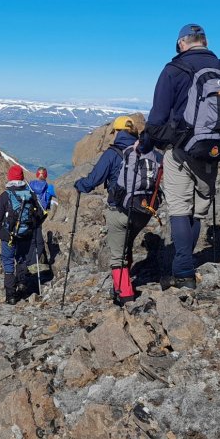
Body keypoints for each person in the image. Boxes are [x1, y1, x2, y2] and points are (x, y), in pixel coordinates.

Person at [139, 24, 220, 290]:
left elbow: (157, 119)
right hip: (213, 153)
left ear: (181, 44)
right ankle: (187, 264)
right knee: (198, 211)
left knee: (178, 208)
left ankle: (183, 271)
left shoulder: (173, 70)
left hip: (180, 151)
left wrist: (146, 144)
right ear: (206, 42)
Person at [75, 115, 152, 305]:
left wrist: (79, 184)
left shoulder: (113, 153)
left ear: (117, 132)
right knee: (126, 245)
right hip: (143, 211)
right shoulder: (147, 151)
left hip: (120, 210)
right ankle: (124, 285)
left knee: (117, 254)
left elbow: (93, 181)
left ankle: (124, 295)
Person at [0, 165, 44, 305]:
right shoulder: (30, 194)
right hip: (26, 234)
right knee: (22, 260)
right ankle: (22, 285)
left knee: (8, 262)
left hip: (9, 236)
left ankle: (11, 296)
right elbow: (39, 214)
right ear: (21, 178)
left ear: (10, 178)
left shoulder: (6, 195)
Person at [28, 167, 56, 272]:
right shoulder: (49, 188)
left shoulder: (30, 185)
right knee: (39, 243)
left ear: (36, 175)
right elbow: (60, 194)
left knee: (31, 240)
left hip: (30, 217)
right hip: (39, 218)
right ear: (46, 175)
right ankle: (31, 265)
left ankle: (28, 263)